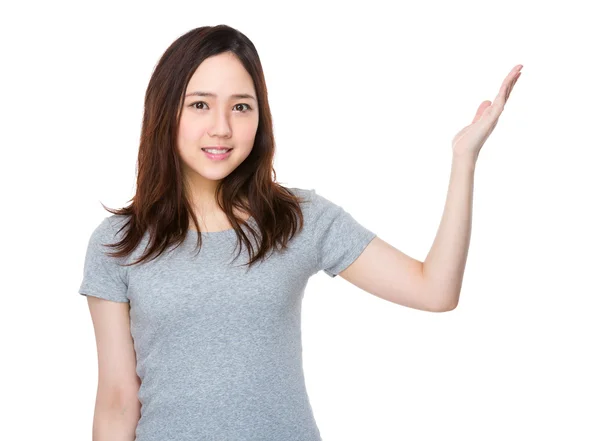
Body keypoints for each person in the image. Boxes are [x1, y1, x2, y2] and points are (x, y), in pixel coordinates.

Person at [79, 24, 522, 441]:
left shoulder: (298, 218)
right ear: (165, 111)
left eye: (241, 106)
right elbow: (118, 400)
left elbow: (436, 291)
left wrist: (464, 159)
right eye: (200, 104)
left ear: (260, 116)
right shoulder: (118, 242)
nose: (221, 127)